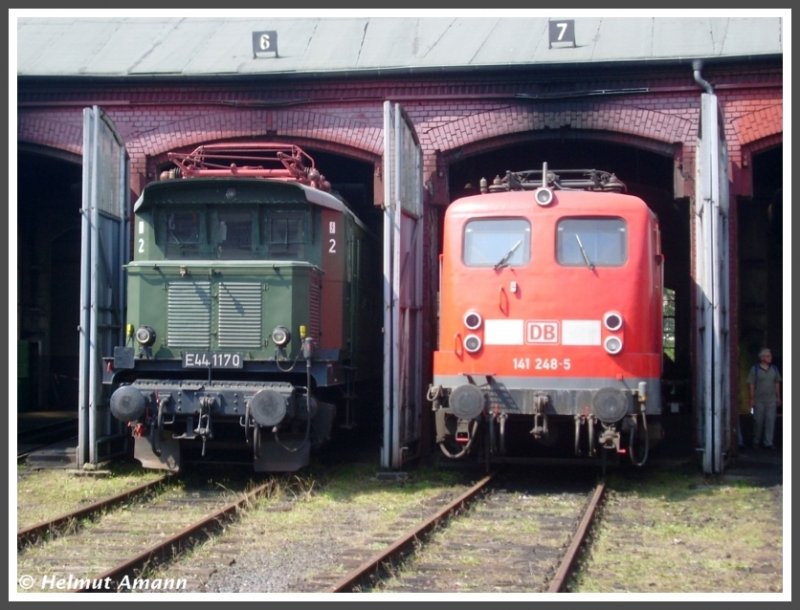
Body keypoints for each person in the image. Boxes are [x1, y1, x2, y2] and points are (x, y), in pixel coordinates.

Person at [747, 348, 782, 449]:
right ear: (762, 358)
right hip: (759, 400)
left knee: (770, 421)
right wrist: (752, 399)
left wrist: (778, 397)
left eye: (770, 356)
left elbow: (777, 383)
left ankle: (768, 442)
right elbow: (751, 384)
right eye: (768, 356)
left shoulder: (774, 369)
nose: (770, 358)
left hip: (771, 400)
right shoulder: (755, 369)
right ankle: (756, 440)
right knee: (758, 421)